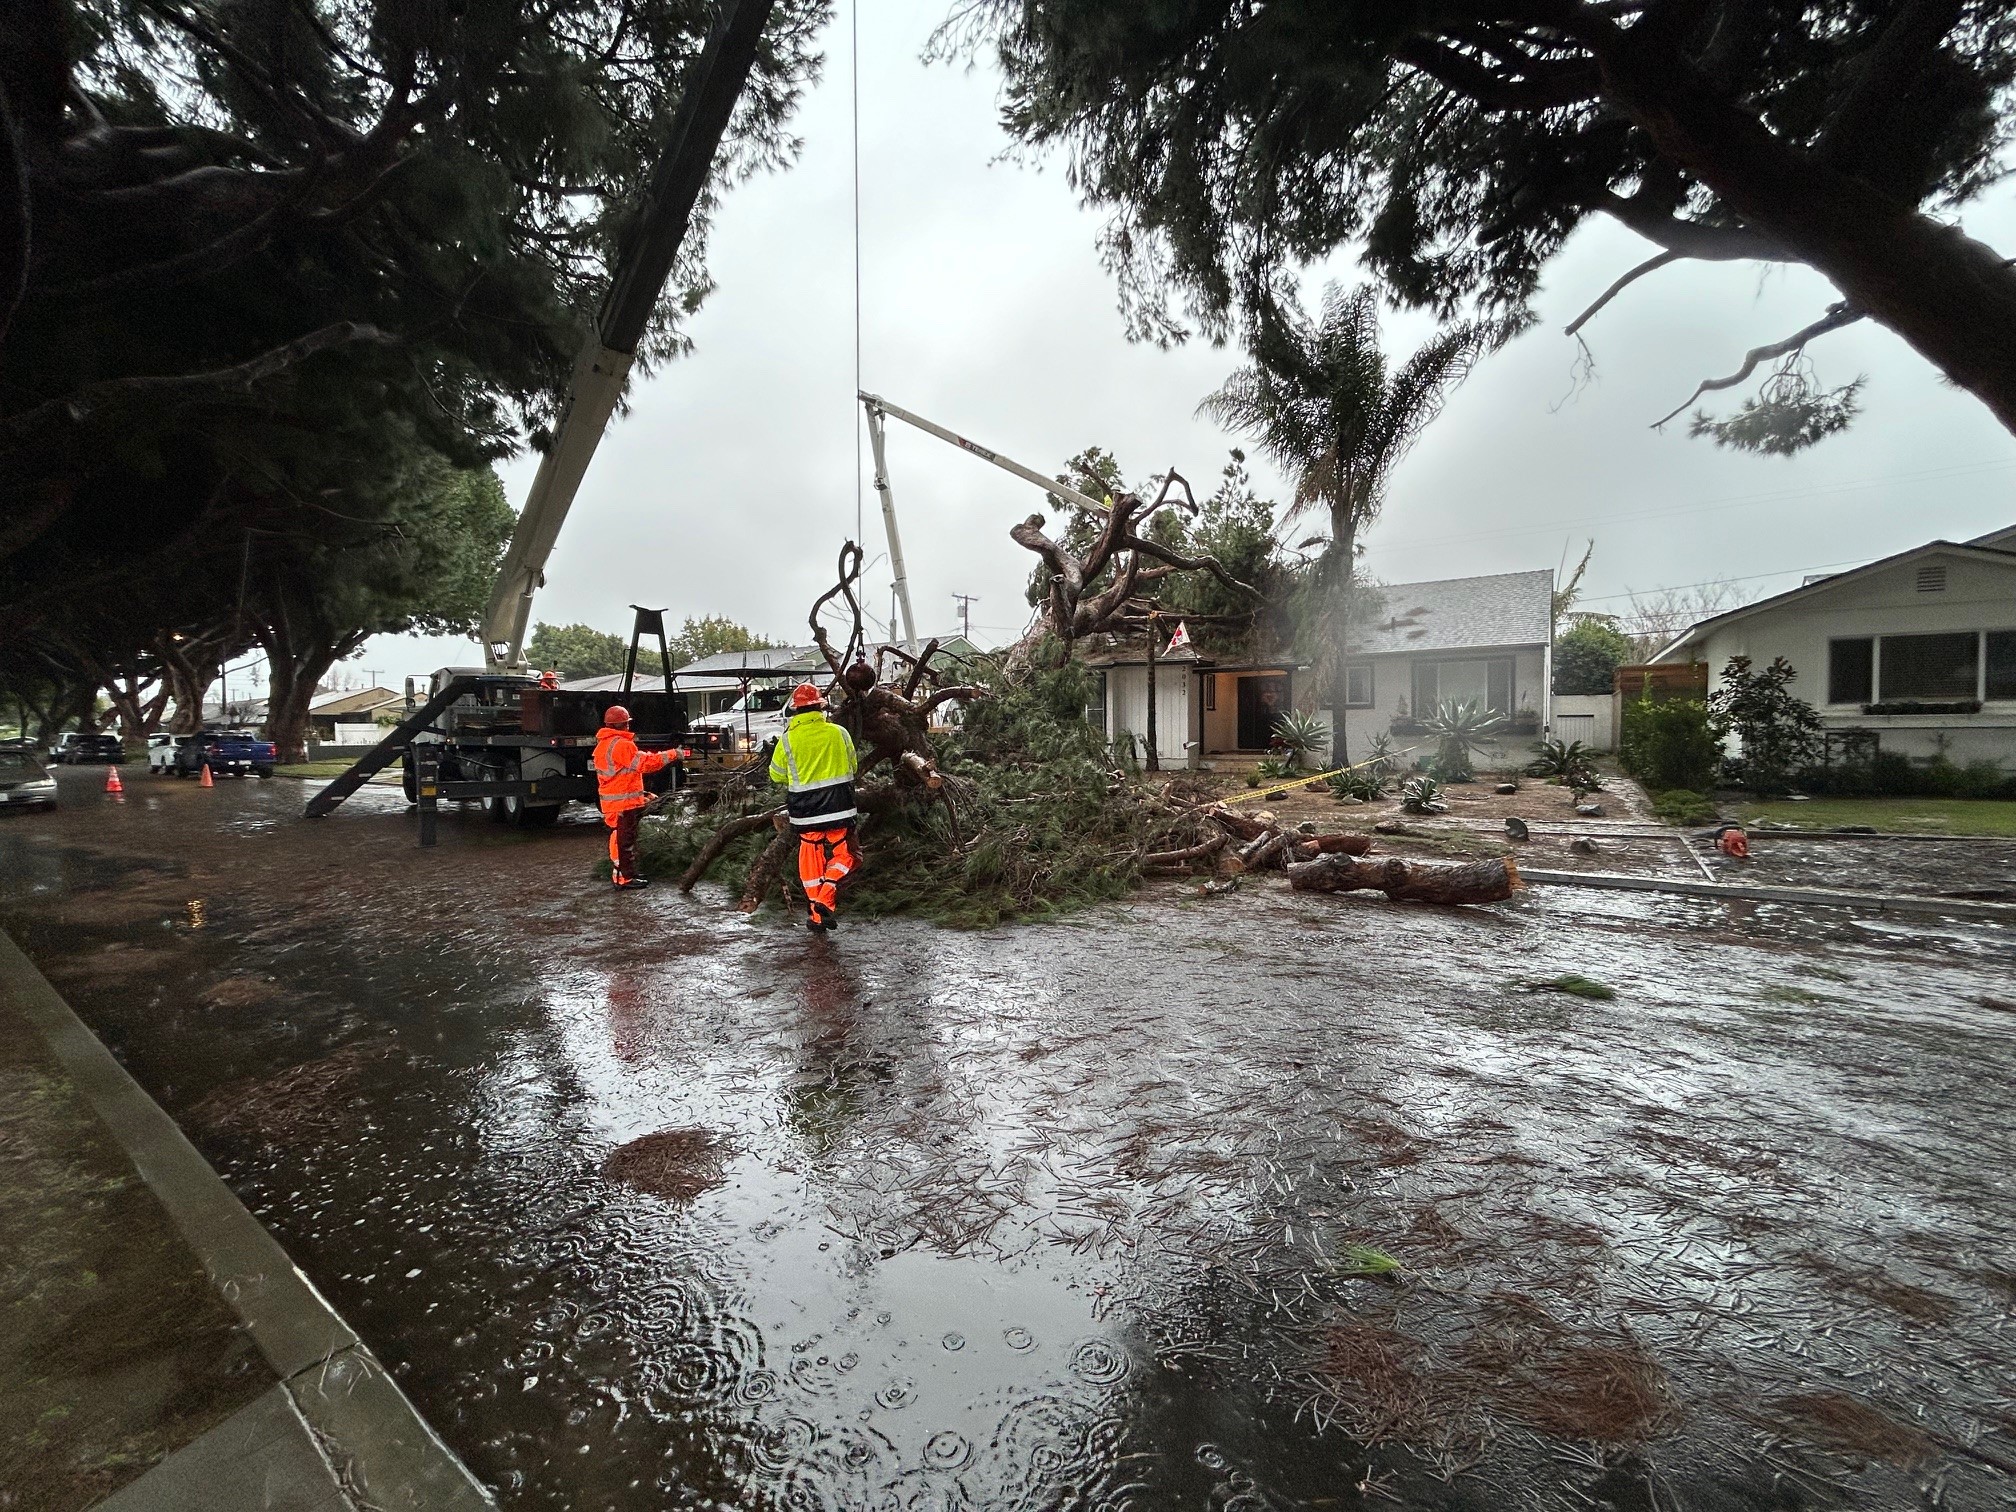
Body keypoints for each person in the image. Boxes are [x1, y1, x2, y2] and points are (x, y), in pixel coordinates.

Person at [769, 682, 859, 931]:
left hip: (805, 813)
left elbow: (776, 775)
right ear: (821, 708)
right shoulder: (839, 733)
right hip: (840, 808)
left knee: (811, 860)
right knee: (845, 855)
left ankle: (817, 917)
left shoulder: (788, 740)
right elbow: (853, 767)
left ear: (795, 711)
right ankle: (825, 898)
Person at [594, 705, 672, 890]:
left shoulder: (605, 744)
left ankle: (625, 874)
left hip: (615, 802)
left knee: (621, 838)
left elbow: (620, 774)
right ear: (623, 724)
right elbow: (645, 764)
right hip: (622, 804)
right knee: (623, 841)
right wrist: (671, 754)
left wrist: (642, 794)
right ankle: (624, 878)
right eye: (627, 723)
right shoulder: (621, 744)